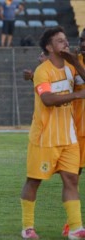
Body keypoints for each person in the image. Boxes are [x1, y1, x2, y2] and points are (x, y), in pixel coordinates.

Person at [20, 26, 85, 239]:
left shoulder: (71, 68)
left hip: (69, 138)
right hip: (44, 138)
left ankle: (75, 228)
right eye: (60, 41)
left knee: (71, 180)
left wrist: (76, 62)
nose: (66, 43)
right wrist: (77, 96)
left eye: (66, 40)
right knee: (34, 181)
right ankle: (27, 227)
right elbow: (47, 100)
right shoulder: (43, 71)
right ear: (49, 47)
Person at [62, 27, 85, 237]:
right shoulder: (72, 61)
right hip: (77, 130)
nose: (83, 44)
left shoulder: (76, 62)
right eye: (82, 40)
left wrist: (77, 63)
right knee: (73, 178)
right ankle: (73, 224)